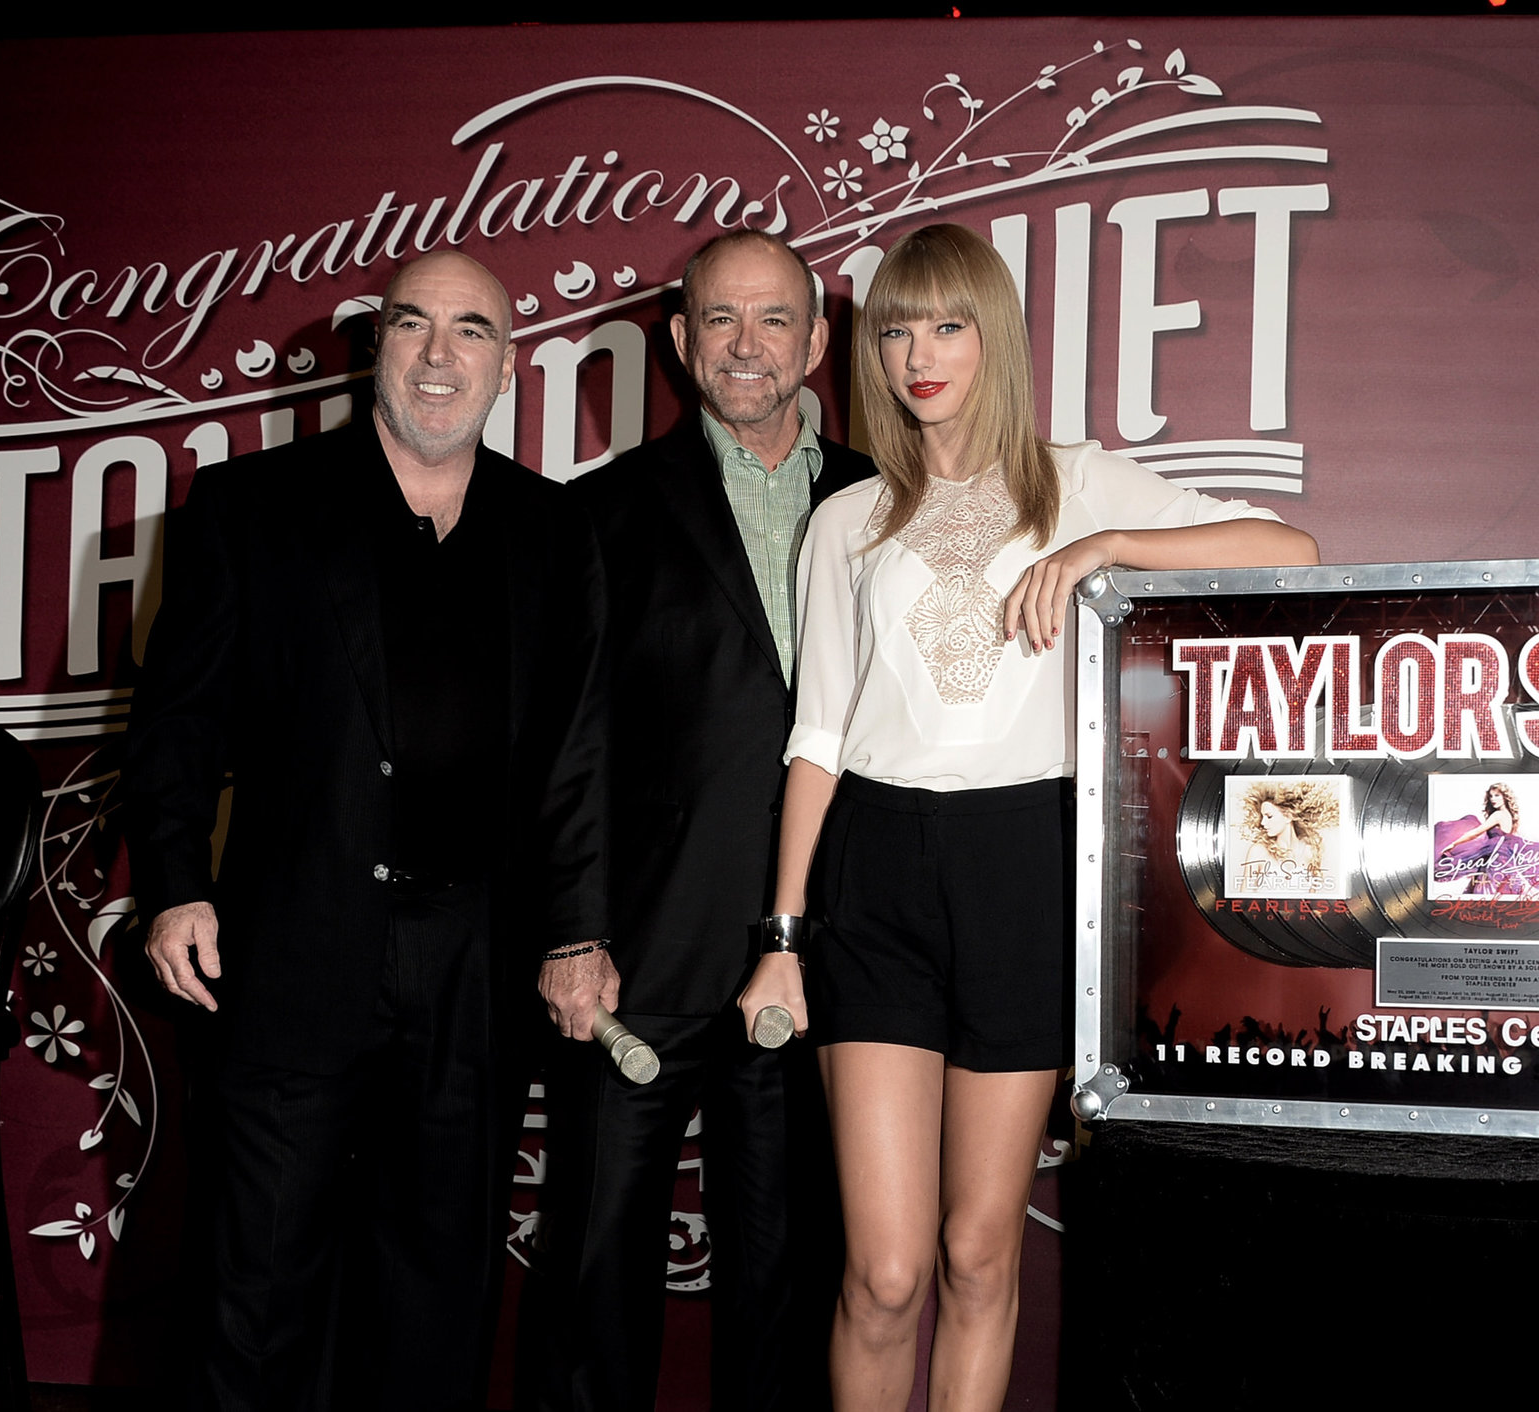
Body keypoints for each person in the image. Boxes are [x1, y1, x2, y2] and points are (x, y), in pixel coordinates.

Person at [739, 223, 1319, 1411]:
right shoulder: (846, 519)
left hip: (1031, 866)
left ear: (993, 335)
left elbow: (1292, 545)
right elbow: (819, 735)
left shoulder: (1079, 479)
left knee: (976, 1250)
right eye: (894, 328)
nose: (917, 353)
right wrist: (782, 937)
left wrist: (1109, 546)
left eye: (946, 324)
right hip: (874, 873)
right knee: (886, 1269)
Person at [125, 250, 612, 1412]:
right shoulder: (252, 508)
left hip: (474, 962)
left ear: (507, 362)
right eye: (414, 325)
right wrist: (177, 881)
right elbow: (177, 720)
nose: (439, 356)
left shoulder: (553, 530)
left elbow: (577, 753)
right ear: (375, 344)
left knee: (438, 1284)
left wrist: (578, 929)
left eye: (471, 331)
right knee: (257, 1278)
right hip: (295, 941)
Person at [525, 230, 872, 1412]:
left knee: (788, 1268)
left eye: (775, 319)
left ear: (818, 342)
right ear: (680, 341)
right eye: (720, 319)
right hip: (644, 946)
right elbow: (566, 744)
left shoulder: (886, 503)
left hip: (825, 951)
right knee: (592, 1261)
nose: (746, 345)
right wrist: (574, 929)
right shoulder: (601, 513)